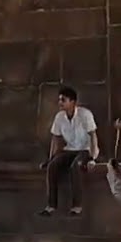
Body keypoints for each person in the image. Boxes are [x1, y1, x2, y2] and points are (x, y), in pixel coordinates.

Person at [41, 86, 99, 216]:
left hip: (85, 150)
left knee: (75, 168)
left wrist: (92, 158)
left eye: (63, 100)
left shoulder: (85, 114)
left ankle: (77, 206)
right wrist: (51, 158)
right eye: (59, 99)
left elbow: (93, 136)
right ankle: (51, 205)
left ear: (73, 102)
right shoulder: (59, 117)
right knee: (52, 166)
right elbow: (55, 139)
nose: (60, 102)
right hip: (69, 150)